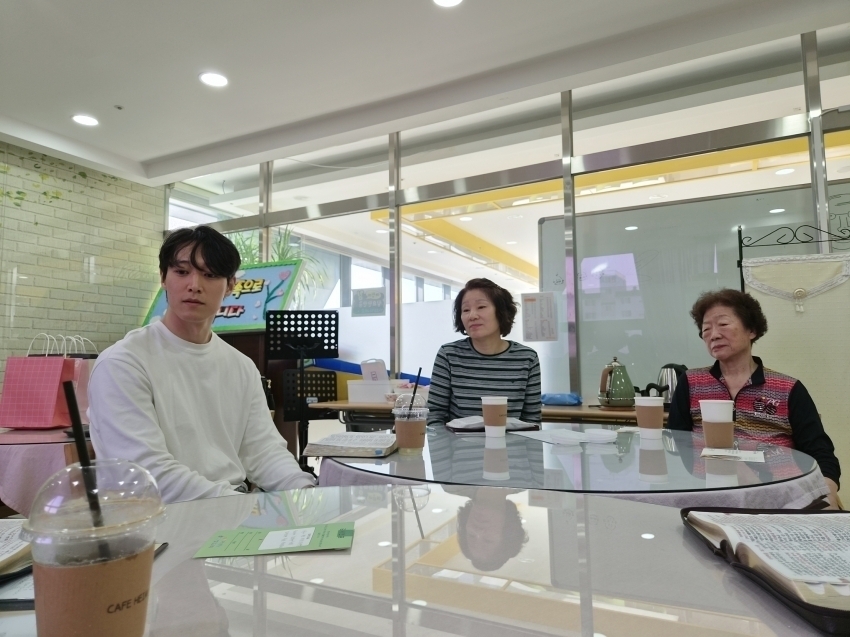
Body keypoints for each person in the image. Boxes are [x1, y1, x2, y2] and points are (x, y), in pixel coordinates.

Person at [89, 226, 315, 504]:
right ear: (163, 277)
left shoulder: (241, 366)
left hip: (229, 509)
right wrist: (242, 507)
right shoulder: (123, 363)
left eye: (210, 275)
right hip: (157, 517)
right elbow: (148, 474)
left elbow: (264, 451)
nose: (194, 285)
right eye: (181, 272)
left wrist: (304, 493)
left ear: (230, 285)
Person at [667, 289, 840, 507]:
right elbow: (677, 443)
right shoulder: (691, 382)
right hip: (709, 494)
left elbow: (821, 452)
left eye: (723, 324)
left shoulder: (788, 388)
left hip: (780, 496)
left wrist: (825, 493)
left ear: (752, 330)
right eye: (706, 329)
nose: (714, 335)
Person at [427, 278, 541, 426]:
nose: (472, 316)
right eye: (465, 310)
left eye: (481, 307)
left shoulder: (527, 358)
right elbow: (434, 416)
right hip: (458, 441)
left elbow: (532, 422)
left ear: (502, 312)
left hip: (511, 441)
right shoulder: (449, 355)